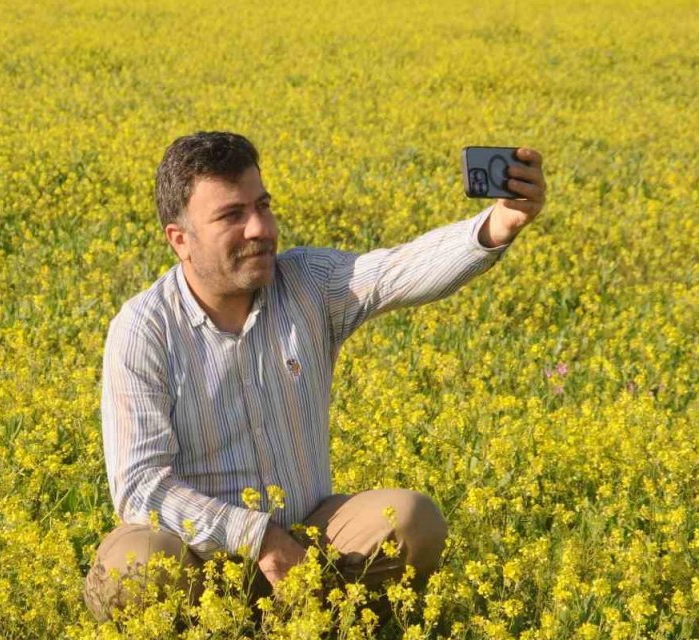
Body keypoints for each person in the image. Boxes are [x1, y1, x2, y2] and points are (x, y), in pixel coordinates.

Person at [83, 131, 548, 623]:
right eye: (231, 215)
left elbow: (396, 271)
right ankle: (223, 622)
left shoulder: (307, 284)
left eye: (263, 206)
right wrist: (255, 535)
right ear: (180, 240)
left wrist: (496, 226)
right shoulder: (144, 329)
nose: (260, 228)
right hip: (199, 555)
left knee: (413, 520)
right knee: (130, 565)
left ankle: (323, 621)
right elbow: (140, 487)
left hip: (310, 543)